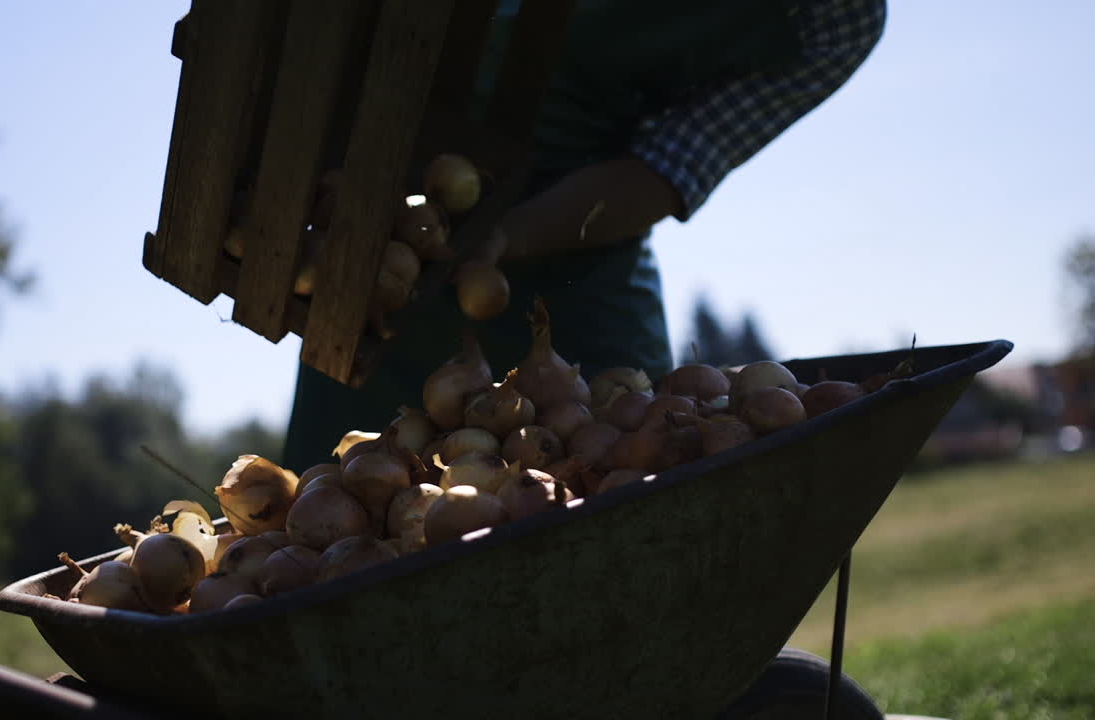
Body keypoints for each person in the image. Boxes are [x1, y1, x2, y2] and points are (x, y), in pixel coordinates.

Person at [283, 0, 887, 475]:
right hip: (365, 258)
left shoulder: (836, 13)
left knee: (616, 486)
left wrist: (499, 238)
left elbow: (665, 168)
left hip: (581, 280)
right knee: (344, 519)